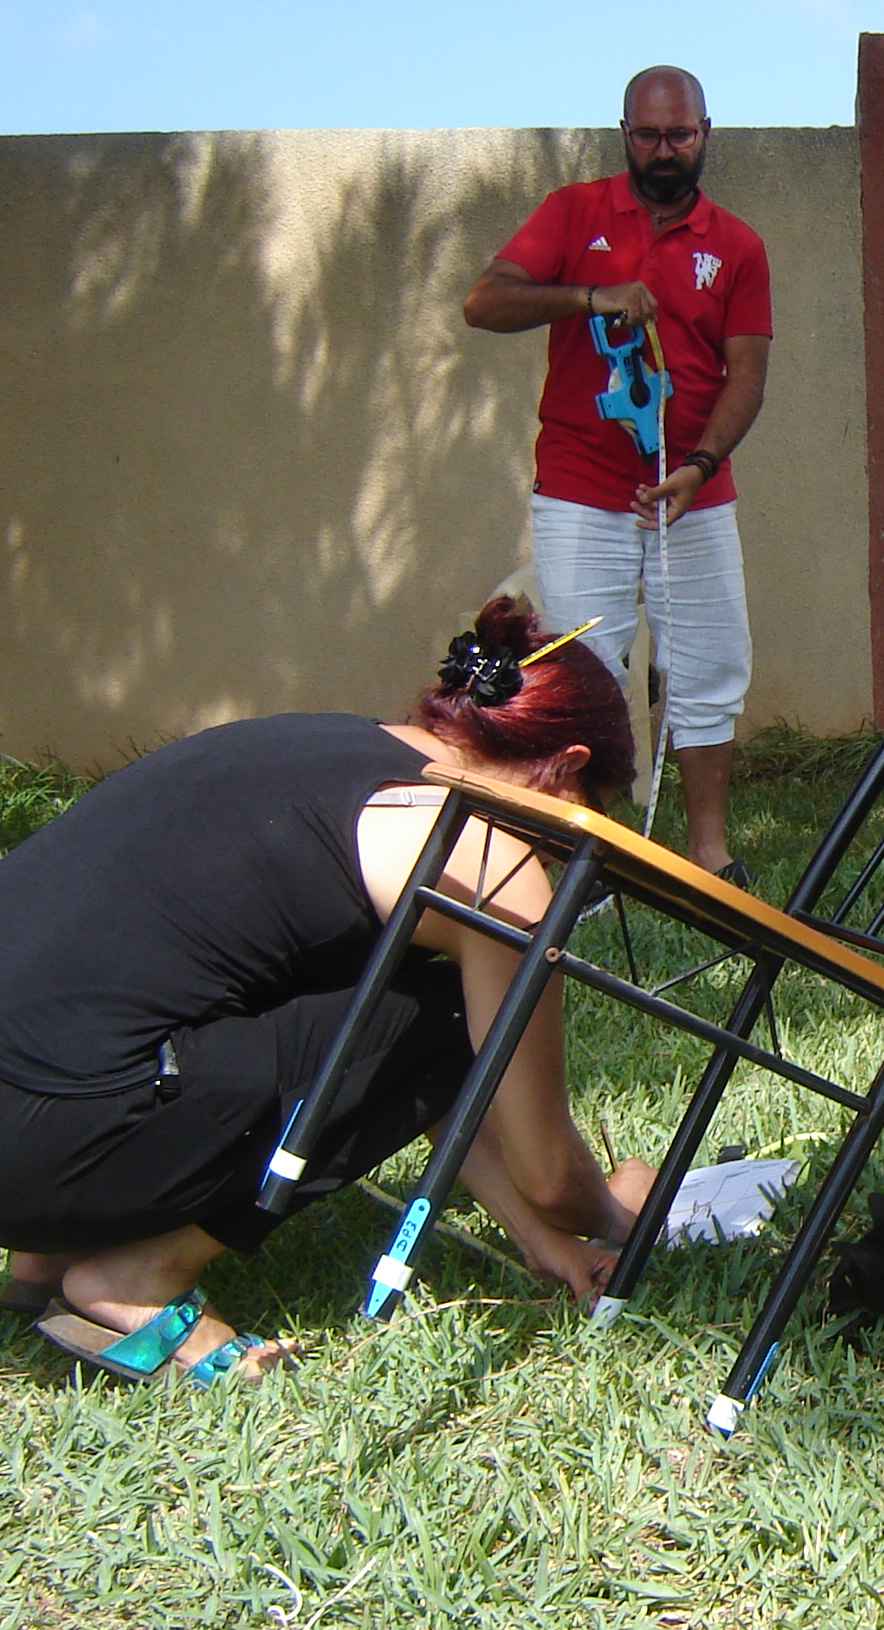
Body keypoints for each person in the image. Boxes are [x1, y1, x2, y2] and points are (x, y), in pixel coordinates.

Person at [0, 600, 655, 1384]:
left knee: (396, 995)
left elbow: (398, 1063)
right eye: (595, 814)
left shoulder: (326, 749)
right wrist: (619, 1212)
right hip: (44, 1150)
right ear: (567, 766)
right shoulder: (487, 862)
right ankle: (132, 1280)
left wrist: (538, 1239)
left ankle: (44, 1258)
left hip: (33, 1125)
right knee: (448, 1003)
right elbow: (545, 1170)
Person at [464, 65, 772, 885]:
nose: (665, 151)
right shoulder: (573, 213)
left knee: (710, 667)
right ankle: (587, 858)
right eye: (649, 135)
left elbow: (747, 376)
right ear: (624, 133)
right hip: (580, 489)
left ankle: (709, 854)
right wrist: (590, 297)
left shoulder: (737, 245)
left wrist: (699, 466)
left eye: (681, 135)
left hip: (694, 495)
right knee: (586, 676)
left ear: (706, 133)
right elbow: (483, 303)